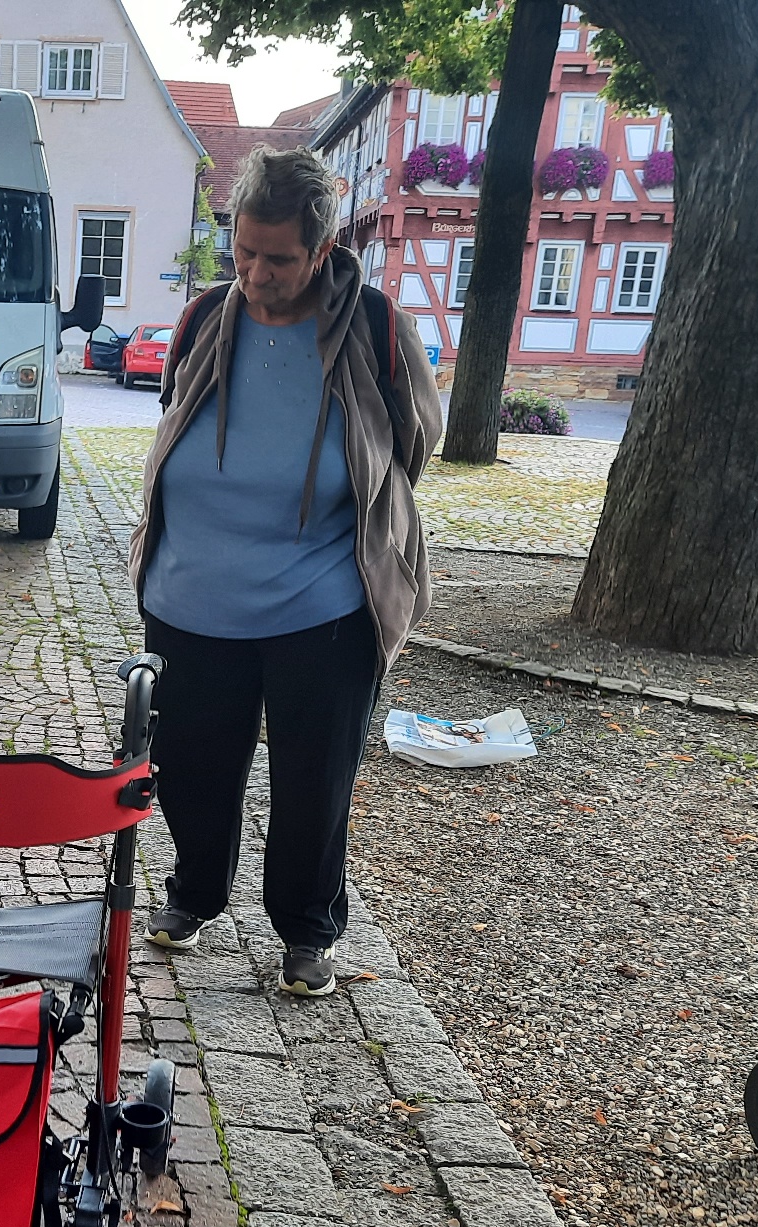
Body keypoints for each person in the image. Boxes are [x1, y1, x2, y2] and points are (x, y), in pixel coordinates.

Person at [129, 146, 443, 998]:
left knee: (314, 784)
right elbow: (176, 417)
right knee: (190, 769)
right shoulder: (201, 322)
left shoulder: (376, 327)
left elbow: (412, 444)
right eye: (243, 253)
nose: (256, 275)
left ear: (322, 248)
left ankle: (306, 932)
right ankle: (194, 895)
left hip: (322, 606)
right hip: (191, 597)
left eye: (278, 258)